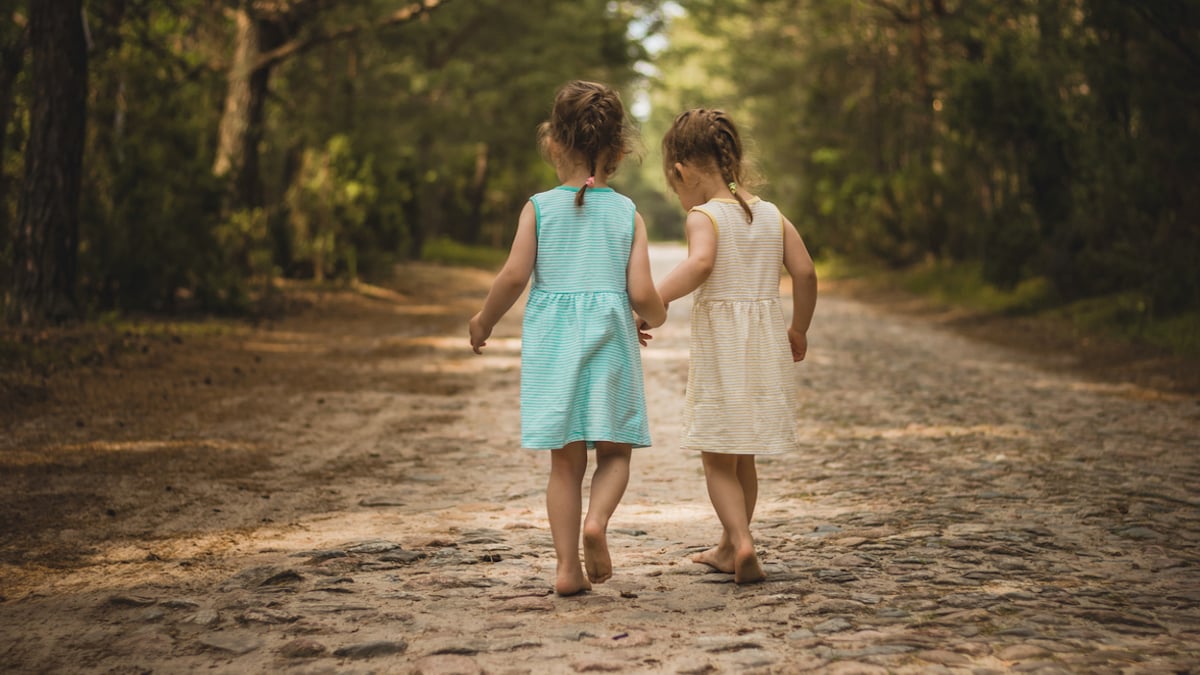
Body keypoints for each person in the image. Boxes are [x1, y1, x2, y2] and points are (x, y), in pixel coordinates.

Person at [469, 80, 667, 596]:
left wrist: (484, 321)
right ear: (619, 151)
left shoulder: (538, 207)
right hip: (610, 341)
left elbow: (513, 276)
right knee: (616, 454)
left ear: (554, 144)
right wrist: (651, 317)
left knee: (565, 463)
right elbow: (643, 293)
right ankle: (597, 523)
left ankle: (566, 568)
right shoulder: (626, 213)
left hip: (554, 348)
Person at [650, 108, 817, 584]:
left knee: (716, 454)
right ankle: (731, 544)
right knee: (743, 453)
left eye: (674, 185)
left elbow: (701, 265)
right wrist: (799, 328)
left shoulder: (705, 217)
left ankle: (741, 544)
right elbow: (804, 272)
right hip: (765, 347)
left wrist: (653, 299)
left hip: (724, 351)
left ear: (682, 171)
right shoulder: (771, 214)